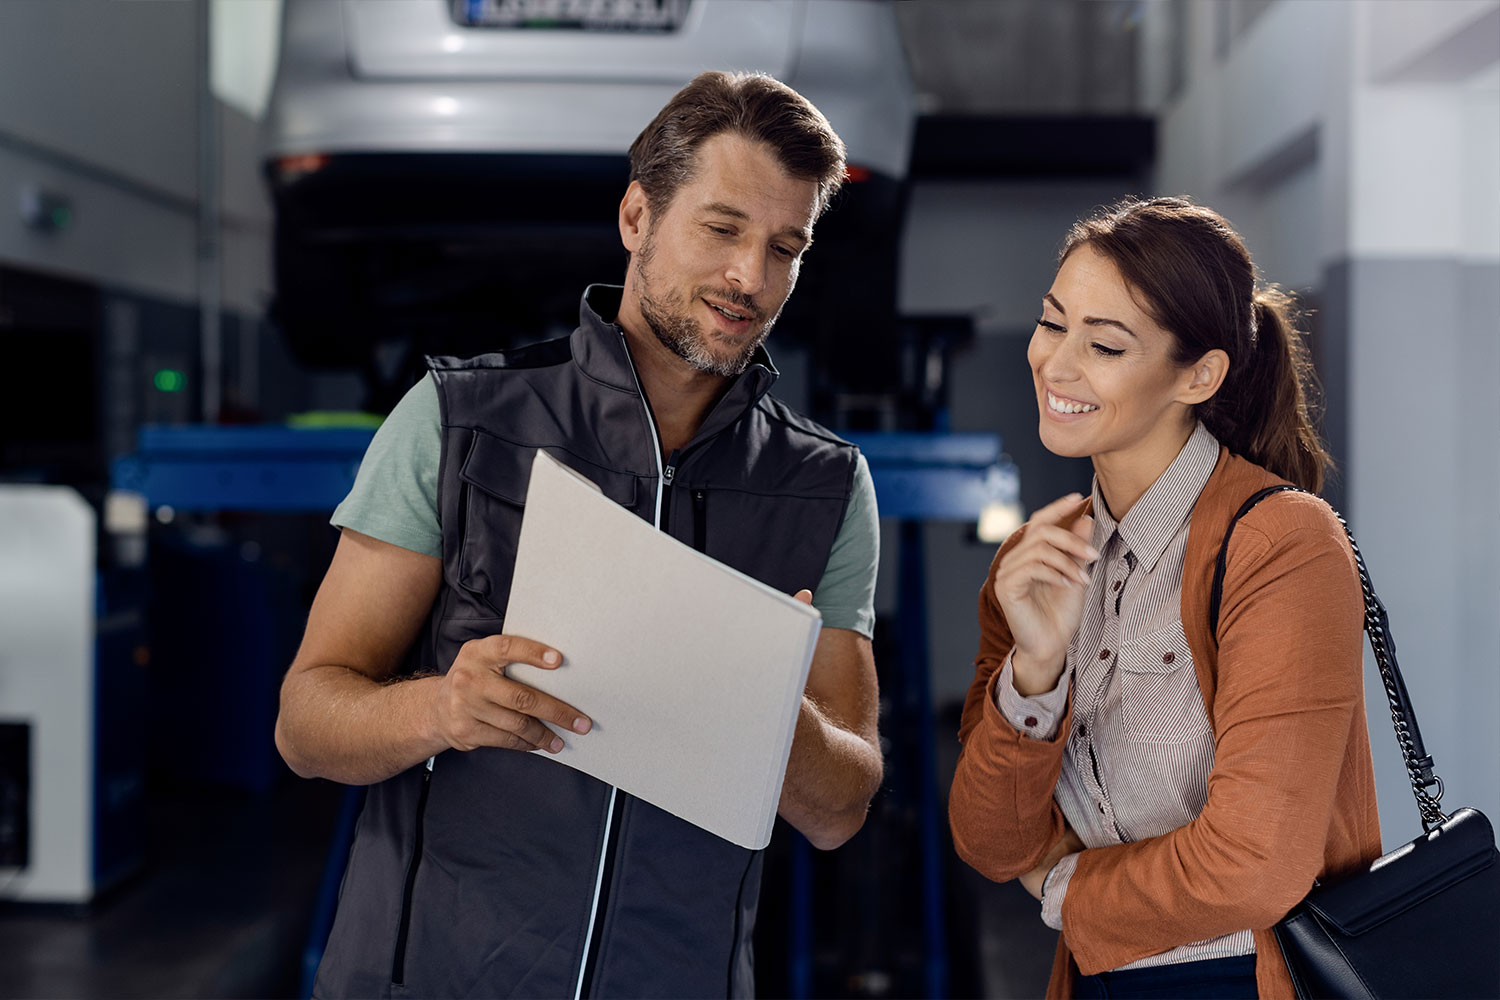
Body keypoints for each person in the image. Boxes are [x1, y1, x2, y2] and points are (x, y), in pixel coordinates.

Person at [274, 71, 883, 999]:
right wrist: (441, 709)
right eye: (722, 230)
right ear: (637, 216)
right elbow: (306, 722)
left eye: (785, 248)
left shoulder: (826, 485)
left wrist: (769, 707)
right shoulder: (455, 421)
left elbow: (843, 808)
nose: (750, 279)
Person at [947, 197, 1382, 999]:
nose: (1056, 364)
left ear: (1200, 374)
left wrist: (1064, 887)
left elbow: (1256, 866)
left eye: (1105, 344)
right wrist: (1036, 671)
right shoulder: (1034, 559)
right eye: (1052, 324)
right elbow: (990, 842)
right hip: (1094, 978)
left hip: (1243, 981)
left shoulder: (1282, 544)